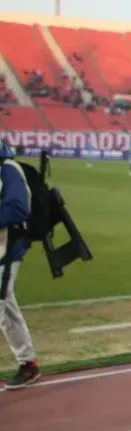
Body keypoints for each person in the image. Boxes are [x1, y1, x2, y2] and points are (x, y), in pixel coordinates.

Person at [0, 141, 41, 389]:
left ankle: (28, 363)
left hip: (6, 251)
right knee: (7, 310)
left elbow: (18, 208)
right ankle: (28, 363)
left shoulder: (9, 170)